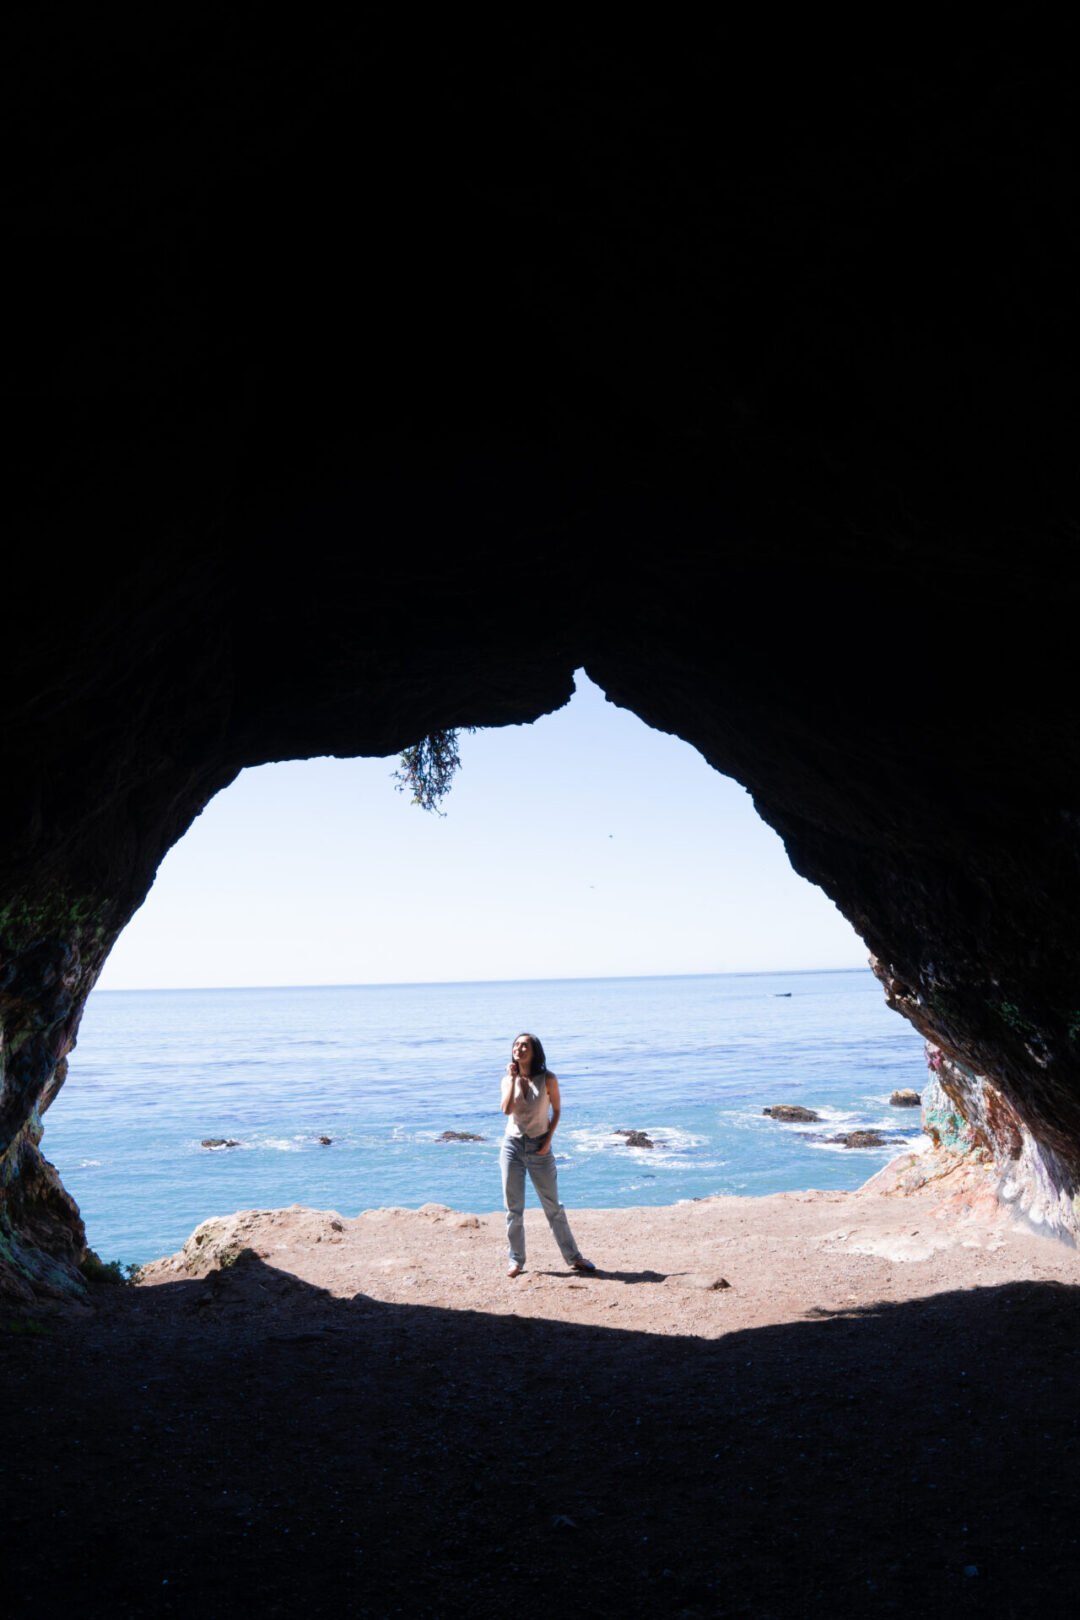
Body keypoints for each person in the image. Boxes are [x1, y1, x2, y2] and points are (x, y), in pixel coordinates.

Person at [499, 1032, 595, 1278]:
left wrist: (547, 1140)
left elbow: (557, 1111)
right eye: (516, 1045)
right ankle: (515, 1260)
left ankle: (574, 1258)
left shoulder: (548, 1078)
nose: (519, 1049)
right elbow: (506, 1109)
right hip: (512, 1147)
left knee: (553, 1206)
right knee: (513, 1208)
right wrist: (511, 1080)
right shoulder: (507, 1078)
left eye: (524, 1045)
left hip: (539, 1147)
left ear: (534, 1051)